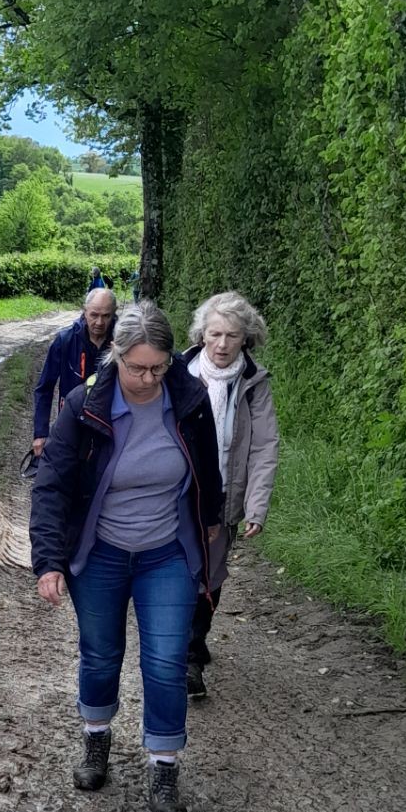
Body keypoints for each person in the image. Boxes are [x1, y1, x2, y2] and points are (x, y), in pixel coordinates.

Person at [30, 303, 222, 812]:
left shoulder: (189, 400)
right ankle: (96, 740)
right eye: (137, 367)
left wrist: (211, 520)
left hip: (166, 553)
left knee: (165, 662)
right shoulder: (83, 405)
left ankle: (164, 769)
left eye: (158, 367)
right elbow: (51, 488)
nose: (147, 378)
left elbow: (207, 468)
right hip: (102, 554)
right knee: (100, 654)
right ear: (116, 356)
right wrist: (48, 560)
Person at [180, 291, 280, 699]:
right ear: (202, 334)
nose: (221, 344)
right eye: (215, 334)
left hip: (225, 497)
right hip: (178, 494)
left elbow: (264, 447)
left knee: (210, 573)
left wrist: (256, 505)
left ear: (246, 339)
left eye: (232, 336)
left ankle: (192, 642)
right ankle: (184, 652)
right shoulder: (177, 374)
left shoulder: (254, 384)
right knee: (179, 569)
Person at [32, 287, 116, 457]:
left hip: (109, 424)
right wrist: (40, 433)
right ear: (84, 312)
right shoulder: (65, 340)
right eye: (94, 315)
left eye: (106, 316)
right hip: (71, 422)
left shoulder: (122, 342)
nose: (100, 322)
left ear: (114, 314)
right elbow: (44, 388)